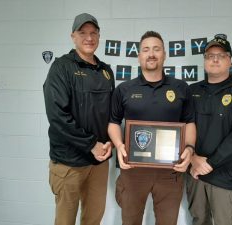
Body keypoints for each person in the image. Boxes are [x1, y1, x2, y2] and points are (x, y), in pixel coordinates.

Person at [108, 31, 196, 225]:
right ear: (139, 56)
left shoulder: (181, 88)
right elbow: (113, 122)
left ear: (164, 54)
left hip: (170, 170)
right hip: (133, 170)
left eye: (156, 49)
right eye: (146, 49)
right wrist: (120, 145)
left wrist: (189, 149)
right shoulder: (124, 89)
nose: (151, 54)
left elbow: (190, 121)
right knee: (130, 222)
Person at [43, 13, 115, 225]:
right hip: (69, 163)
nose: (89, 38)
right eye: (83, 33)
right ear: (73, 36)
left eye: (93, 33)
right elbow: (57, 116)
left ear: (99, 36)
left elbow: (110, 115)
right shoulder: (61, 68)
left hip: (98, 162)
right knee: (65, 221)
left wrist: (110, 143)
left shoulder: (106, 71)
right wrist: (91, 144)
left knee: (93, 219)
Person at [186, 34, 232, 225]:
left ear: (230, 60)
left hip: (227, 179)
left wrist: (209, 163)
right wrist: (192, 159)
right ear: (204, 61)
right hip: (196, 176)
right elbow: (182, 129)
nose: (215, 59)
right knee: (199, 221)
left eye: (221, 55)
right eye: (210, 55)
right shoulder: (191, 91)